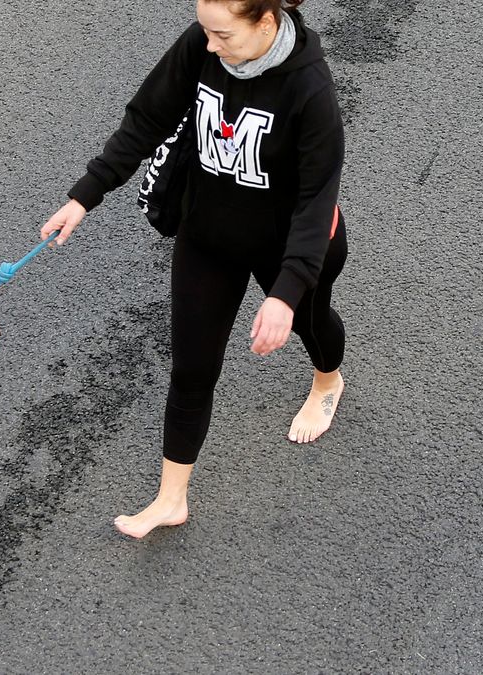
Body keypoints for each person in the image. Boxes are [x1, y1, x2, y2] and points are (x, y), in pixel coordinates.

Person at [39, 0, 348, 539]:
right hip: (207, 237)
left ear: (266, 23)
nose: (209, 45)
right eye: (205, 31)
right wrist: (85, 196)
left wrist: (284, 292)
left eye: (222, 35)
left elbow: (316, 201)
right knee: (191, 369)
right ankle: (170, 499)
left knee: (311, 325)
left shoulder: (310, 89)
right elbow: (145, 119)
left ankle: (328, 379)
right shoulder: (202, 43)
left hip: (290, 247)